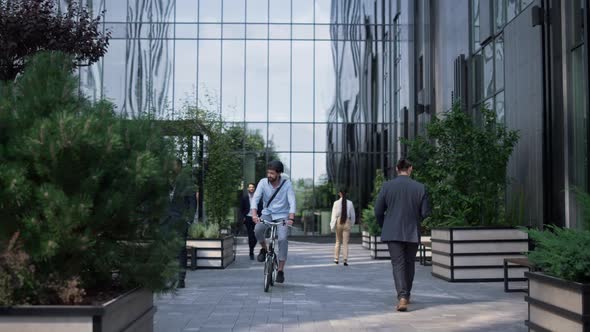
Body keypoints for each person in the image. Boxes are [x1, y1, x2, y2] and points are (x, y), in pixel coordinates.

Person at [374, 159, 430, 312]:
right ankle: (406, 295)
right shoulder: (420, 188)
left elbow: (378, 211)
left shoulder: (387, 186)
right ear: (410, 169)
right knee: (410, 263)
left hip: (393, 231)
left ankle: (403, 297)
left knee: (398, 264)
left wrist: (384, 225)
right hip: (412, 231)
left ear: (397, 169)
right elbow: (425, 212)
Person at [251, 160, 296, 284]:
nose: (269, 175)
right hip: (267, 213)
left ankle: (280, 270)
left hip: (282, 215)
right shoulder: (263, 183)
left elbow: (292, 201)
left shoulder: (287, 184)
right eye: (268, 173)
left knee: (282, 239)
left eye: (272, 173)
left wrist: (291, 218)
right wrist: (254, 214)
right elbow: (255, 199)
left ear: (279, 173)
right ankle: (265, 249)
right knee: (258, 229)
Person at [166, 158, 196, 289]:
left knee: (180, 250)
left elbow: (192, 203)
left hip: (180, 221)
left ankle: (181, 279)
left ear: (179, 167)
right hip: (165, 221)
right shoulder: (166, 181)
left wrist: (188, 219)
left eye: (173, 166)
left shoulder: (187, 183)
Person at [330, 188, 356, 266]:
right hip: (347, 222)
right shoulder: (350, 203)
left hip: (339, 221)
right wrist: (351, 224)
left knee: (338, 241)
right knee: (345, 243)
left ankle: (336, 259)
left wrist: (332, 225)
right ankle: (345, 260)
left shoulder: (336, 203)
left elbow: (333, 215)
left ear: (340, 194)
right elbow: (353, 215)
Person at [240, 182, 263, 260]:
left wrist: (260, 217)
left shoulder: (258, 198)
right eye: (250, 187)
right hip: (248, 218)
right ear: (248, 189)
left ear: (254, 189)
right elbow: (242, 209)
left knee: (256, 234)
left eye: (252, 187)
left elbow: (261, 208)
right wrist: (243, 217)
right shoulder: (244, 198)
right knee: (250, 235)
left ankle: (252, 247)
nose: (251, 188)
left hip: (256, 218)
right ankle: (251, 252)